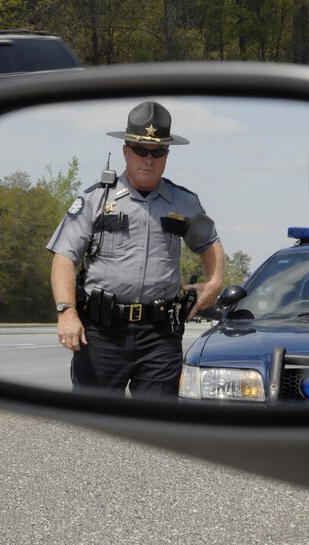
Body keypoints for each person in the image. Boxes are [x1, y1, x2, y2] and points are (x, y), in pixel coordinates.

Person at [46, 101, 224, 398]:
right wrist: (66, 312)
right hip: (102, 335)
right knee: (95, 427)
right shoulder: (94, 200)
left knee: (157, 429)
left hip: (159, 336)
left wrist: (215, 282)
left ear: (167, 154)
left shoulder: (185, 203)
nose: (149, 159)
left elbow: (210, 243)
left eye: (158, 152)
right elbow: (64, 256)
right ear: (126, 150)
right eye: (141, 150)